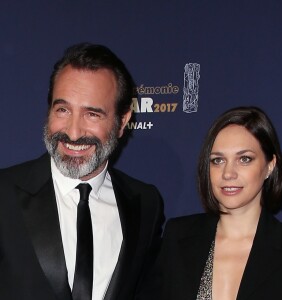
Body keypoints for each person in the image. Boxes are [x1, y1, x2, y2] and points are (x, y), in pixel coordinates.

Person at [0, 43, 164, 300]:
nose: (73, 132)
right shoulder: (4, 194)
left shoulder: (145, 204)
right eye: (63, 110)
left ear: (122, 122)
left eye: (92, 114)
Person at [155, 107, 282, 300]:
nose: (228, 173)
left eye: (245, 159)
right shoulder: (178, 236)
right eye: (218, 160)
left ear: (269, 166)